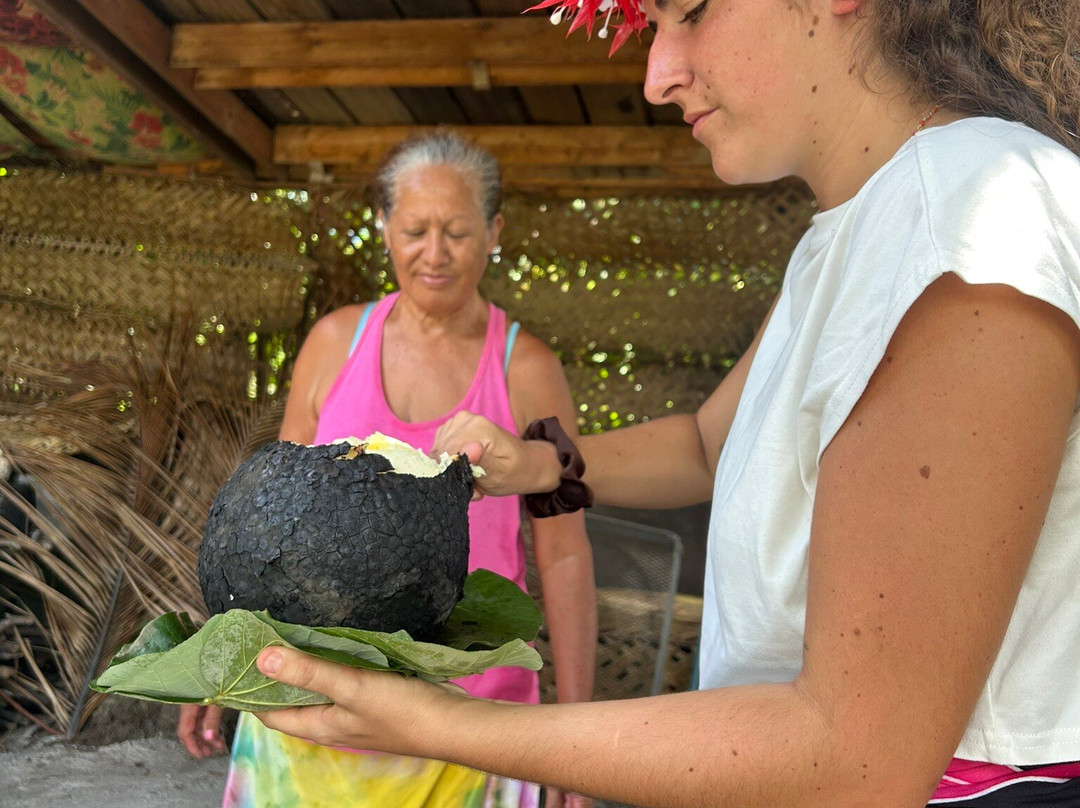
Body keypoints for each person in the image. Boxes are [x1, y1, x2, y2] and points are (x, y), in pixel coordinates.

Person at [250, 0, 1080, 806]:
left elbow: (858, 759)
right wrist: (535, 463)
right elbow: (706, 449)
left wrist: (441, 719)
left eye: (690, 11)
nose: (657, 75)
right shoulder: (859, 230)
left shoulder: (971, 219)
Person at [177, 131, 598, 808]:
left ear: (494, 232)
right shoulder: (335, 343)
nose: (435, 254)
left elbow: (566, 558)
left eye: (458, 232)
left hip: (472, 728)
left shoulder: (526, 368)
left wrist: (574, 741)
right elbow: (265, 536)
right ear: (384, 229)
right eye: (415, 230)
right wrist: (218, 666)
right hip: (315, 710)